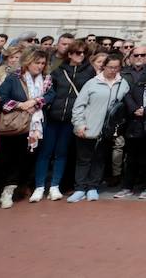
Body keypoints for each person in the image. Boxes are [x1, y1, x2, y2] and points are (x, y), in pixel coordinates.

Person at [0, 48, 51, 210]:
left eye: (43, 63)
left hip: (32, 125)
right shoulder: (14, 78)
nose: (40, 66)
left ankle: (9, 192)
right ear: (28, 62)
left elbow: (51, 95)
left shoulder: (45, 79)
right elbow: (2, 98)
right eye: (37, 63)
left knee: (20, 159)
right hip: (13, 123)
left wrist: (36, 102)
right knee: (3, 159)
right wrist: (21, 105)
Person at [68, 51, 127, 203]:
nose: (113, 70)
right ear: (103, 67)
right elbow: (78, 106)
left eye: (116, 67)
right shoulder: (92, 83)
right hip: (87, 127)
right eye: (109, 67)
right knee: (83, 159)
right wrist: (79, 124)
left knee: (99, 159)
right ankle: (80, 188)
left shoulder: (123, 84)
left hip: (107, 130)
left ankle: (93, 187)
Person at [37, 42, 92, 201]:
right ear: (69, 54)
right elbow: (48, 90)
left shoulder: (89, 72)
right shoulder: (58, 70)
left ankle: (55, 186)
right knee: (45, 153)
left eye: (83, 53)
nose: (80, 55)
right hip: (53, 116)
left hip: (71, 119)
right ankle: (39, 186)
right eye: (77, 52)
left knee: (61, 153)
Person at [119, 52, 146, 198]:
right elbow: (128, 94)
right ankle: (127, 186)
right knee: (131, 158)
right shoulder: (143, 78)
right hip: (135, 123)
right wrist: (134, 109)